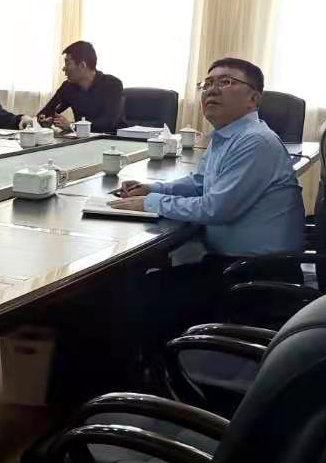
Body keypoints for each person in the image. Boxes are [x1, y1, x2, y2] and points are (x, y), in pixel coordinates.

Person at [111, 57, 305, 332]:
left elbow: (215, 208)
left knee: (128, 298)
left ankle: (152, 358)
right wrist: (154, 188)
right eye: (207, 84)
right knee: (131, 290)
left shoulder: (255, 141)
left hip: (257, 279)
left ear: (253, 98)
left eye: (226, 82)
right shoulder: (228, 135)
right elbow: (200, 182)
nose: (212, 90)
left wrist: (150, 203)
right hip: (234, 266)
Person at [37, 41, 123, 133]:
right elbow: (45, 113)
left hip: (112, 139)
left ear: (82, 65)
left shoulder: (112, 84)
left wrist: (72, 126)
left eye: (67, 63)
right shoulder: (68, 87)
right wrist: (45, 120)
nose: (63, 69)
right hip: (82, 139)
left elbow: (108, 123)